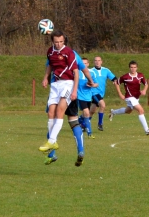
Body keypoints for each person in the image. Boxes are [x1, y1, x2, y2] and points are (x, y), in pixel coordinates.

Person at [42, 34, 95, 167]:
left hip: (67, 87)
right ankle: (80, 150)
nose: (58, 44)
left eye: (61, 41)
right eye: (56, 42)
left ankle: (51, 153)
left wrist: (47, 79)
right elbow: (85, 70)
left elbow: (79, 70)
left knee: (55, 115)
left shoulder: (70, 53)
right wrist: (91, 81)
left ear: (64, 41)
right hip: (58, 88)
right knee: (72, 120)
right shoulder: (53, 52)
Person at [109, 60, 149, 135]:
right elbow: (116, 83)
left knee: (128, 111)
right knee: (141, 110)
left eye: (134, 67)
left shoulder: (140, 75)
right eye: (131, 67)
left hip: (136, 97)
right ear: (129, 68)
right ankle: (147, 130)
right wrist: (120, 94)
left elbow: (146, 84)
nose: (133, 69)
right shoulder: (125, 77)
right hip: (129, 97)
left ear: (137, 68)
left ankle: (113, 112)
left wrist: (144, 90)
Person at [89, 56, 117, 131]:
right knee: (103, 105)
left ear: (101, 61)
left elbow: (114, 78)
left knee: (92, 111)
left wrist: (115, 82)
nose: (97, 62)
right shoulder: (90, 71)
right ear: (94, 62)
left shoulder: (106, 70)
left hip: (101, 93)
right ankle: (100, 123)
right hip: (94, 92)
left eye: (99, 60)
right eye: (95, 60)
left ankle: (83, 123)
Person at [78, 58, 98, 139]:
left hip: (88, 97)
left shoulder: (92, 73)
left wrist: (92, 85)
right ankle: (90, 133)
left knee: (85, 114)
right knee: (87, 113)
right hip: (79, 96)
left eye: (86, 63)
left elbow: (96, 84)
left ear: (88, 64)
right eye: (82, 63)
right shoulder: (76, 72)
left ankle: (78, 121)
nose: (84, 65)